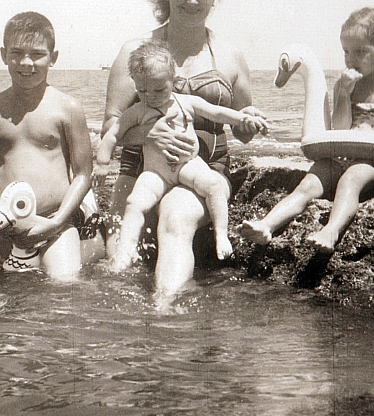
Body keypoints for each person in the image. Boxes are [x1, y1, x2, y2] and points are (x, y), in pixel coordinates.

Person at [102, 0, 264, 298]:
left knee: (175, 218)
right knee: (116, 261)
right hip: (140, 171)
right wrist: (151, 132)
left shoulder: (231, 55)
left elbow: (242, 130)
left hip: (203, 172)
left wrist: (249, 123)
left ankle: (166, 310)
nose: (193, 0)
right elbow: (110, 128)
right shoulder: (135, 50)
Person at [240, 8, 374, 250]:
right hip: (344, 153)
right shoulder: (346, 86)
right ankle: (267, 225)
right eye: (346, 51)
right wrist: (344, 93)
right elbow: (341, 127)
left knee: (351, 179)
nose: (350, 59)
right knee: (308, 184)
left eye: (360, 52)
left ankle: (331, 231)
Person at [96, 41, 267, 269]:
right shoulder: (136, 112)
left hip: (189, 166)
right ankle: (125, 250)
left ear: (173, 81)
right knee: (134, 202)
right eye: (142, 90)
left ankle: (221, 235)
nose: (151, 97)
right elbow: (111, 135)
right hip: (155, 172)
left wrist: (243, 119)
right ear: (135, 85)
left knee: (214, 185)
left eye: (159, 89)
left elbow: (218, 113)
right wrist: (102, 163)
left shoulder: (187, 102)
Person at [0, 12, 95, 280]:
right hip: (5, 228)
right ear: (4, 55)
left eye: (37, 54)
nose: (26, 62)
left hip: (55, 224)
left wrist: (57, 221)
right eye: (16, 53)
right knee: (6, 294)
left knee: (63, 287)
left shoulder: (68, 108)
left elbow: (84, 173)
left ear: (53, 57)